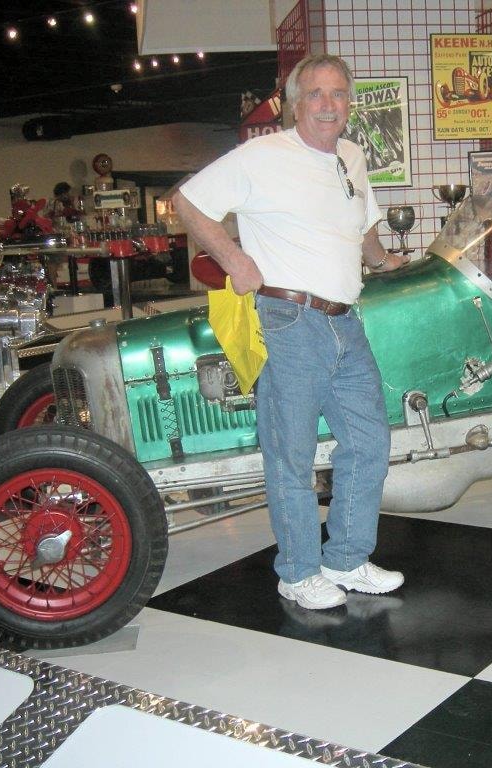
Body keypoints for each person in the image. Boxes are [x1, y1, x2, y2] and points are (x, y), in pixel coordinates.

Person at [172, 53, 409, 611]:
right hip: (287, 321)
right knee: (291, 456)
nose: (328, 105)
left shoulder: (351, 156)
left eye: (339, 94)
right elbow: (186, 200)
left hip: (345, 322)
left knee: (370, 441)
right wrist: (233, 256)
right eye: (316, 94)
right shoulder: (262, 155)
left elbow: (362, 226)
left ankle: (347, 559)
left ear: (350, 103)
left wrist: (382, 261)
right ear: (294, 103)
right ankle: (299, 572)